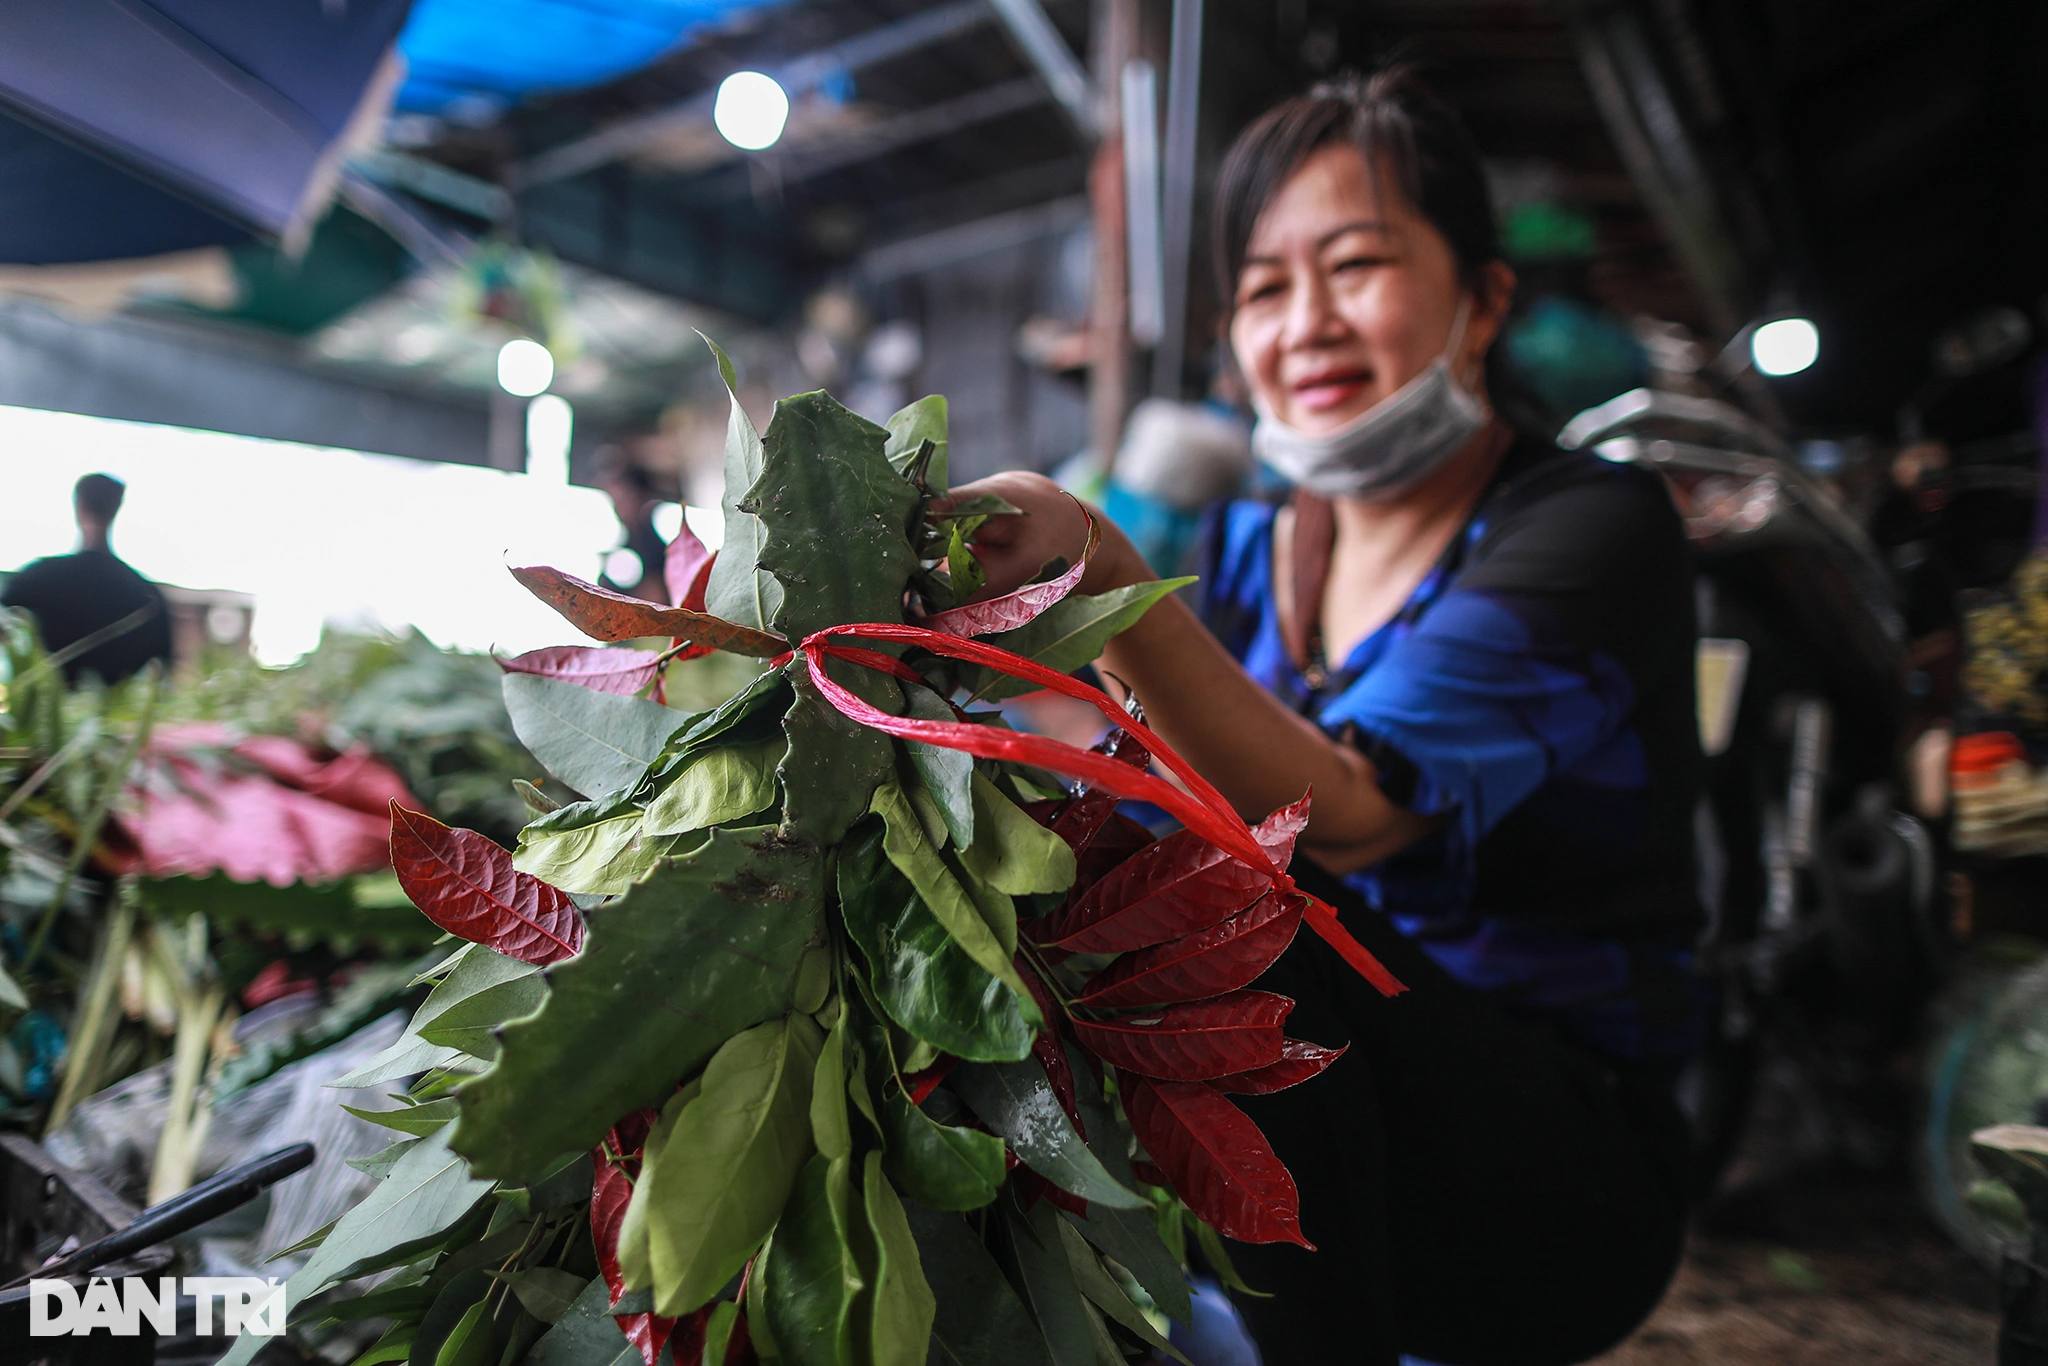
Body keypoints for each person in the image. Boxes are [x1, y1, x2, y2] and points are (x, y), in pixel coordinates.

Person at [954, 69, 1699, 1365]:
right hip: (1322, 1153)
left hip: (1548, 1174)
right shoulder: (1247, 555)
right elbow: (1091, 744)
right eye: (1263, 287)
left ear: (1486, 299)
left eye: (1356, 265)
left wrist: (1112, 579)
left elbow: (1342, 817)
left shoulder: (1587, 528)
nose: (1305, 323)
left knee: (1245, 912)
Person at [3, 473, 171, 685]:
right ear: (117, 507)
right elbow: (163, 672)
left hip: (35, 715)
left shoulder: (32, 580)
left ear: (78, 505)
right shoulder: (146, 596)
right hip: (116, 716)